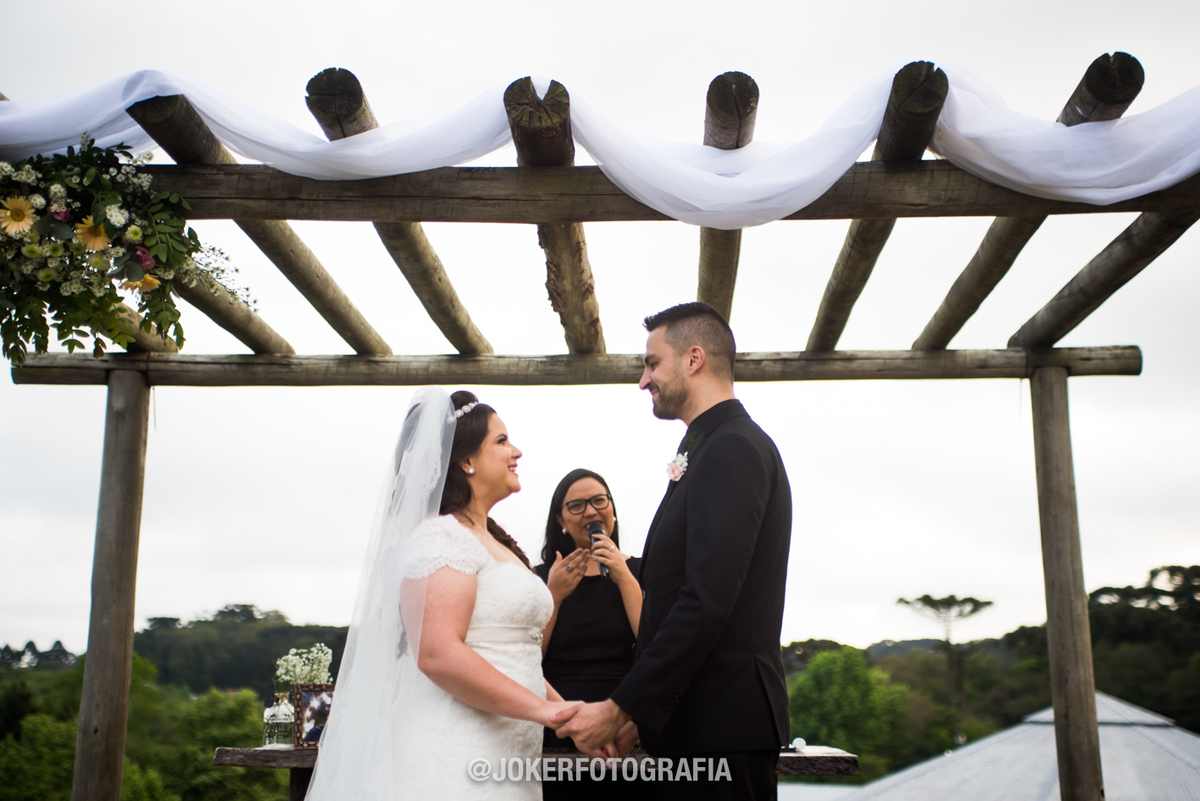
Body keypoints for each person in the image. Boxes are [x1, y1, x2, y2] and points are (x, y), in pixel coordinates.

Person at [553, 302, 793, 801]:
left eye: (652, 363)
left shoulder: (731, 449)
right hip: (698, 726)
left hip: (724, 728)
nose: (643, 380)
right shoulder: (708, 448)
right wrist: (645, 715)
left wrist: (623, 705)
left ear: (694, 359)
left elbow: (705, 599)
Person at [306, 388, 580, 800]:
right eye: (502, 441)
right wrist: (548, 712)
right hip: (453, 757)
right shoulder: (439, 537)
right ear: (465, 461)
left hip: (507, 758)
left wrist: (569, 718)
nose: (516, 451)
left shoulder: (496, 543)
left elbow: (513, 658)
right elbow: (437, 653)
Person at [534, 469, 655, 800]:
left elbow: (657, 649)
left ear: (612, 511)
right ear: (560, 519)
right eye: (576, 505)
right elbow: (529, 657)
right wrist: (552, 596)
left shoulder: (645, 570)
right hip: (560, 732)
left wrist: (625, 578)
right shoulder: (540, 577)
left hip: (628, 732)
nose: (590, 511)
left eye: (599, 500)